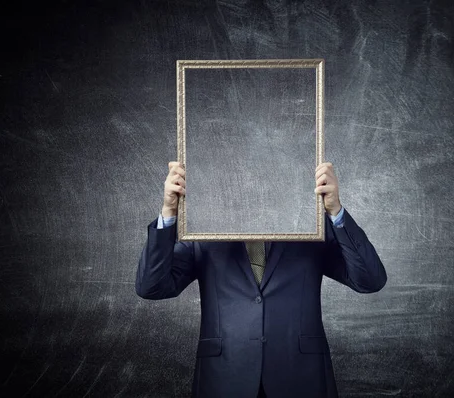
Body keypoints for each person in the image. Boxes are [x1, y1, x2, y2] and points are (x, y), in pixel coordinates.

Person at [136, 161, 387, 398]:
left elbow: (370, 280)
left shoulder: (311, 225)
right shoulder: (202, 229)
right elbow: (151, 286)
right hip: (225, 378)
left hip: (301, 379)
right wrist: (169, 212)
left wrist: (335, 211)